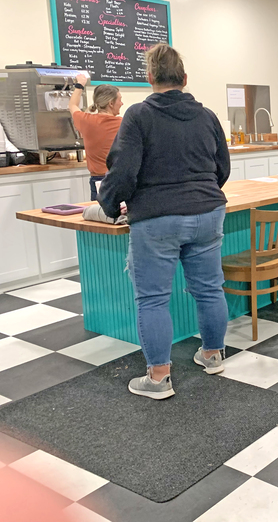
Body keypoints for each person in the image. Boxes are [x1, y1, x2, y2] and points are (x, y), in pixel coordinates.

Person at [99, 43, 231, 400]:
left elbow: (122, 171)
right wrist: (200, 194)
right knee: (209, 289)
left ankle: (159, 379)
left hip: (157, 219)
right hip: (208, 213)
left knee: (153, 299)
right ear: (184, 79)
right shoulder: (207, 116)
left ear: (149, 77)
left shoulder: (139, 115)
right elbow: (223, 167)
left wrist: (109, 206)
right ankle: (213, 355)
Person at [68, 75, 123, 200]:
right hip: (118, 179)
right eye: (120, 100)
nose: (122, 103)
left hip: (97, 180)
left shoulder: (86, 121)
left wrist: (80, 84)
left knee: (97, 217)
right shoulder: (124, 124)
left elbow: (72, 105)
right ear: (111, 103)